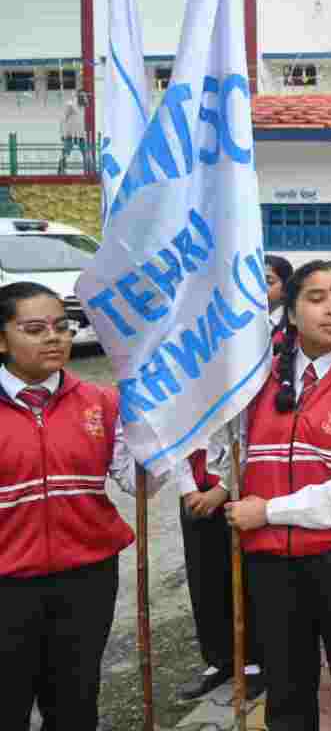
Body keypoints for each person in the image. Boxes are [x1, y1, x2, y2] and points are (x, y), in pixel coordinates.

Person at [222, 261, 331, 730]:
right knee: (287, 689)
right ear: (291, 313)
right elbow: (230, 448)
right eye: (317, 298)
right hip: (272, 562)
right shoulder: (253, 379)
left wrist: (271, 510)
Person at [0, 282, 166, 730]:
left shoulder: (101, 402)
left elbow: (140, 484)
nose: (53, 338)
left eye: (62, 327)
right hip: (7, 585)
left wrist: (156, 435)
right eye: (35, 329)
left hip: (86, 579)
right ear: (2, 339)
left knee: (74, 702)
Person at [177, 445, 265, 702]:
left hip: (238, 487)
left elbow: (244, 438)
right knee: (203, 576)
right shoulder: (178, 402)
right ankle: (218, 659)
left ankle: (254, 659)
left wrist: (223, 489)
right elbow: (172, 441)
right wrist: (187, 489)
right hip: (193, 490)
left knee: (244, 574)